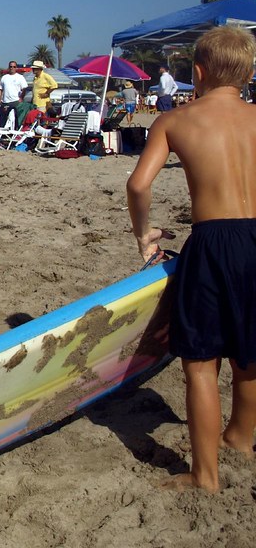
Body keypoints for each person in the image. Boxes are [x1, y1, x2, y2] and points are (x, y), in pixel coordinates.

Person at [126, 25, 256, 493]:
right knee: (250, 347)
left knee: (201, 362)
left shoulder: (175, 121)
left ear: (197, 72)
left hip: (214, 240)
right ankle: (240, 438)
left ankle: (205, 476)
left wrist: (145, 234)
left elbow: (139, 184)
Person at [0, 61, 28, 129]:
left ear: (16, 68)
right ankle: (1, 134)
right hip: (5, 102)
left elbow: (24, 88)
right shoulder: (4, 77)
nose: (12, 68)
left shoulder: (20, 77)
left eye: (14, 67)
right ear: (9, 67)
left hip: (16, 101)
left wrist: (21, 98)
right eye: (11, 66)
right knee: (2, 120)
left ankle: (15, 133)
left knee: (17, 119)